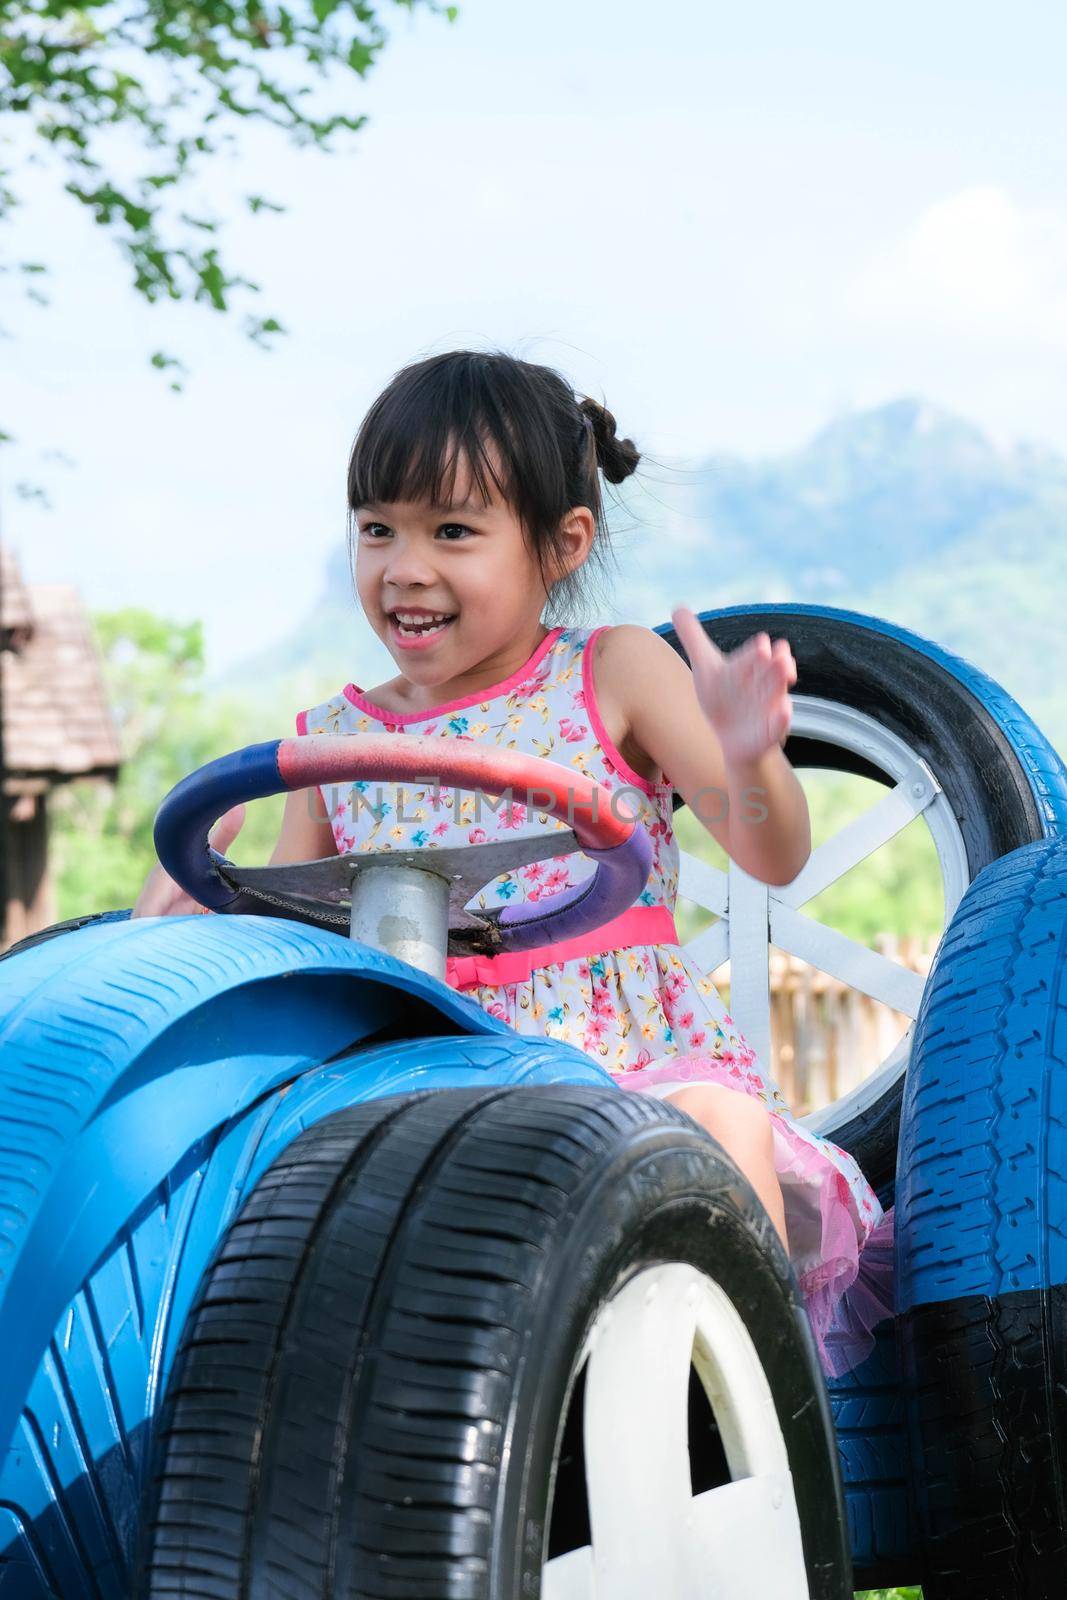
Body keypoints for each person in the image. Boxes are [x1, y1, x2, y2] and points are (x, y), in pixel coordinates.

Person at [133, 348, 893, 1378]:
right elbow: (294, 953)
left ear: (560, 543)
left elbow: (771, 849)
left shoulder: (611, 672)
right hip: (421, 1089)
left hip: (625, 1074)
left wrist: (746, 750)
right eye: (377, 529)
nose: (403, 564)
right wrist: (185, 916)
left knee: (715, 1121)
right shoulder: (328, 746)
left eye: (452, 530)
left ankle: (752, 1412)